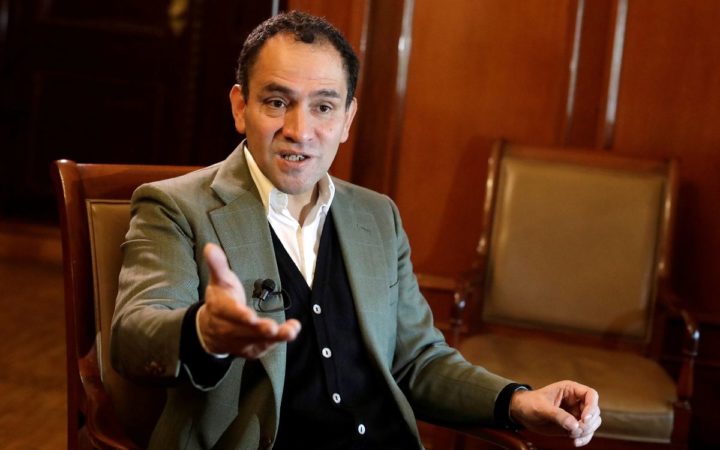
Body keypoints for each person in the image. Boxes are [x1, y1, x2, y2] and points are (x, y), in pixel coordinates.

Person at [111, 10, 601, 450]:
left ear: (348, 118)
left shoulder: (377, 215)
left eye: (324, 107)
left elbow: (417, 360)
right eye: (277, 102)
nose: (300, 130)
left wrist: (516, 400)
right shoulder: (176, 207)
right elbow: (133, 338)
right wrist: (203, 333)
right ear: (241, 107)